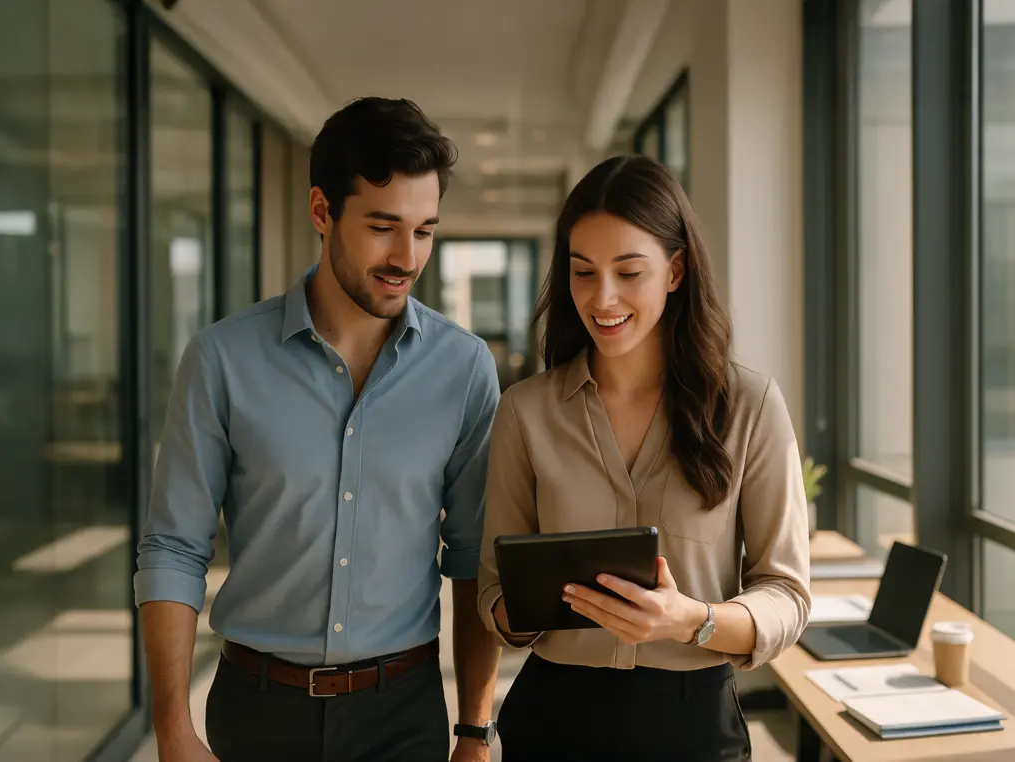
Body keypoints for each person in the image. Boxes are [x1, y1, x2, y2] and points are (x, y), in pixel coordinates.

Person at [135, 97, 502, 762]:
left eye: (424, 231)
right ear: (321, 212)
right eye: (383, 227)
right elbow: (173, 548)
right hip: (257, 708)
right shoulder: (223, 359)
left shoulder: (465, 368)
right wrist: (171, 726)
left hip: (403, 712)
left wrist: (475, 731)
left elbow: (474, 559)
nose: (406, 257)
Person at [477, 155, 811, 761]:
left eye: (629, 272)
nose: (602, 298)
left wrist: (691, 619)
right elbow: (493, 591)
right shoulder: (525, 412)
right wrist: (524, 608)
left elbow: (787, 594)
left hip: (695, 725)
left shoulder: (750, 407)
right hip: (552, 720)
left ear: (676, 270)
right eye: (583, 272)